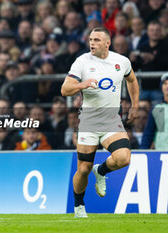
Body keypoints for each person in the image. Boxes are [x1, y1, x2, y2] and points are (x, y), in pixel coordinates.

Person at [61, 27, 139, 218]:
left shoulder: (121, 61)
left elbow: (132, 80)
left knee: (124, 158)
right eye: (90, 39)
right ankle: (79, 206)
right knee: (83, 169)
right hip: (89, 120)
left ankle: (101, 171)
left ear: (107, 43)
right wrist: (81, 84)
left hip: (112, 119)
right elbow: (65, 89)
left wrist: (135, 105)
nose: (92, 43)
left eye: (96, 40)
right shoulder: (83, 61)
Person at [140, 73, 168, 150]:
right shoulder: (157, 108)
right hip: (161, 154)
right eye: (165, 83)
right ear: (161, 87)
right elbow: (149, 133)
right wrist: (143, 151)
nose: (167, 86)